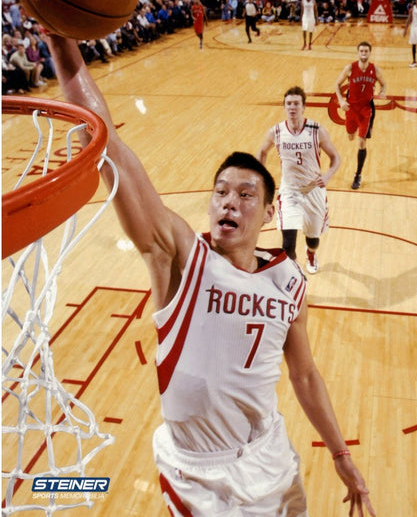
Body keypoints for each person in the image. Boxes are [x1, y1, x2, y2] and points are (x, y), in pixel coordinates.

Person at [47, 33, 376, 517]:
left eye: (245, 195)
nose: (229, 200)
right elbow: (112, 149)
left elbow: (304, 375)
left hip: (270, 458)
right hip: (198, 474)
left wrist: (341, 454)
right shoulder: (179, 258)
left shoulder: (289, 283)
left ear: (268, 213)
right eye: (221, 191)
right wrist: (60, 42)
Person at [257, 86, 341, 275]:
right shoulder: (276, 132)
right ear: (284, 107)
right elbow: (262, 152)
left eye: (296, 104)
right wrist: (259, 176)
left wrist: (327, 175)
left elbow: (336, 158)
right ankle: (296, 279)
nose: (292, 107)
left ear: (304, 107)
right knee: (287, 246)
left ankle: (311, 253)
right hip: (290, 192)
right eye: (288, 104)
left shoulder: (317, 130)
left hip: (314, 191)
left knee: (313, 240)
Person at [335, 41, 387, 190]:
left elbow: (384, 83)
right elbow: (336, 85)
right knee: (351, 135)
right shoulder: (350, 68)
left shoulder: (375, 70)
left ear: (370, 53)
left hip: (366, 109)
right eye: (361, 51)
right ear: (358, 53)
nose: (364, 53)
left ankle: (358, 175)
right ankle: (353, 131)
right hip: (351, 108)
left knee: (361, 142)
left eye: (366, 51)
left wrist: (383, 91)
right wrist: (340, 100)